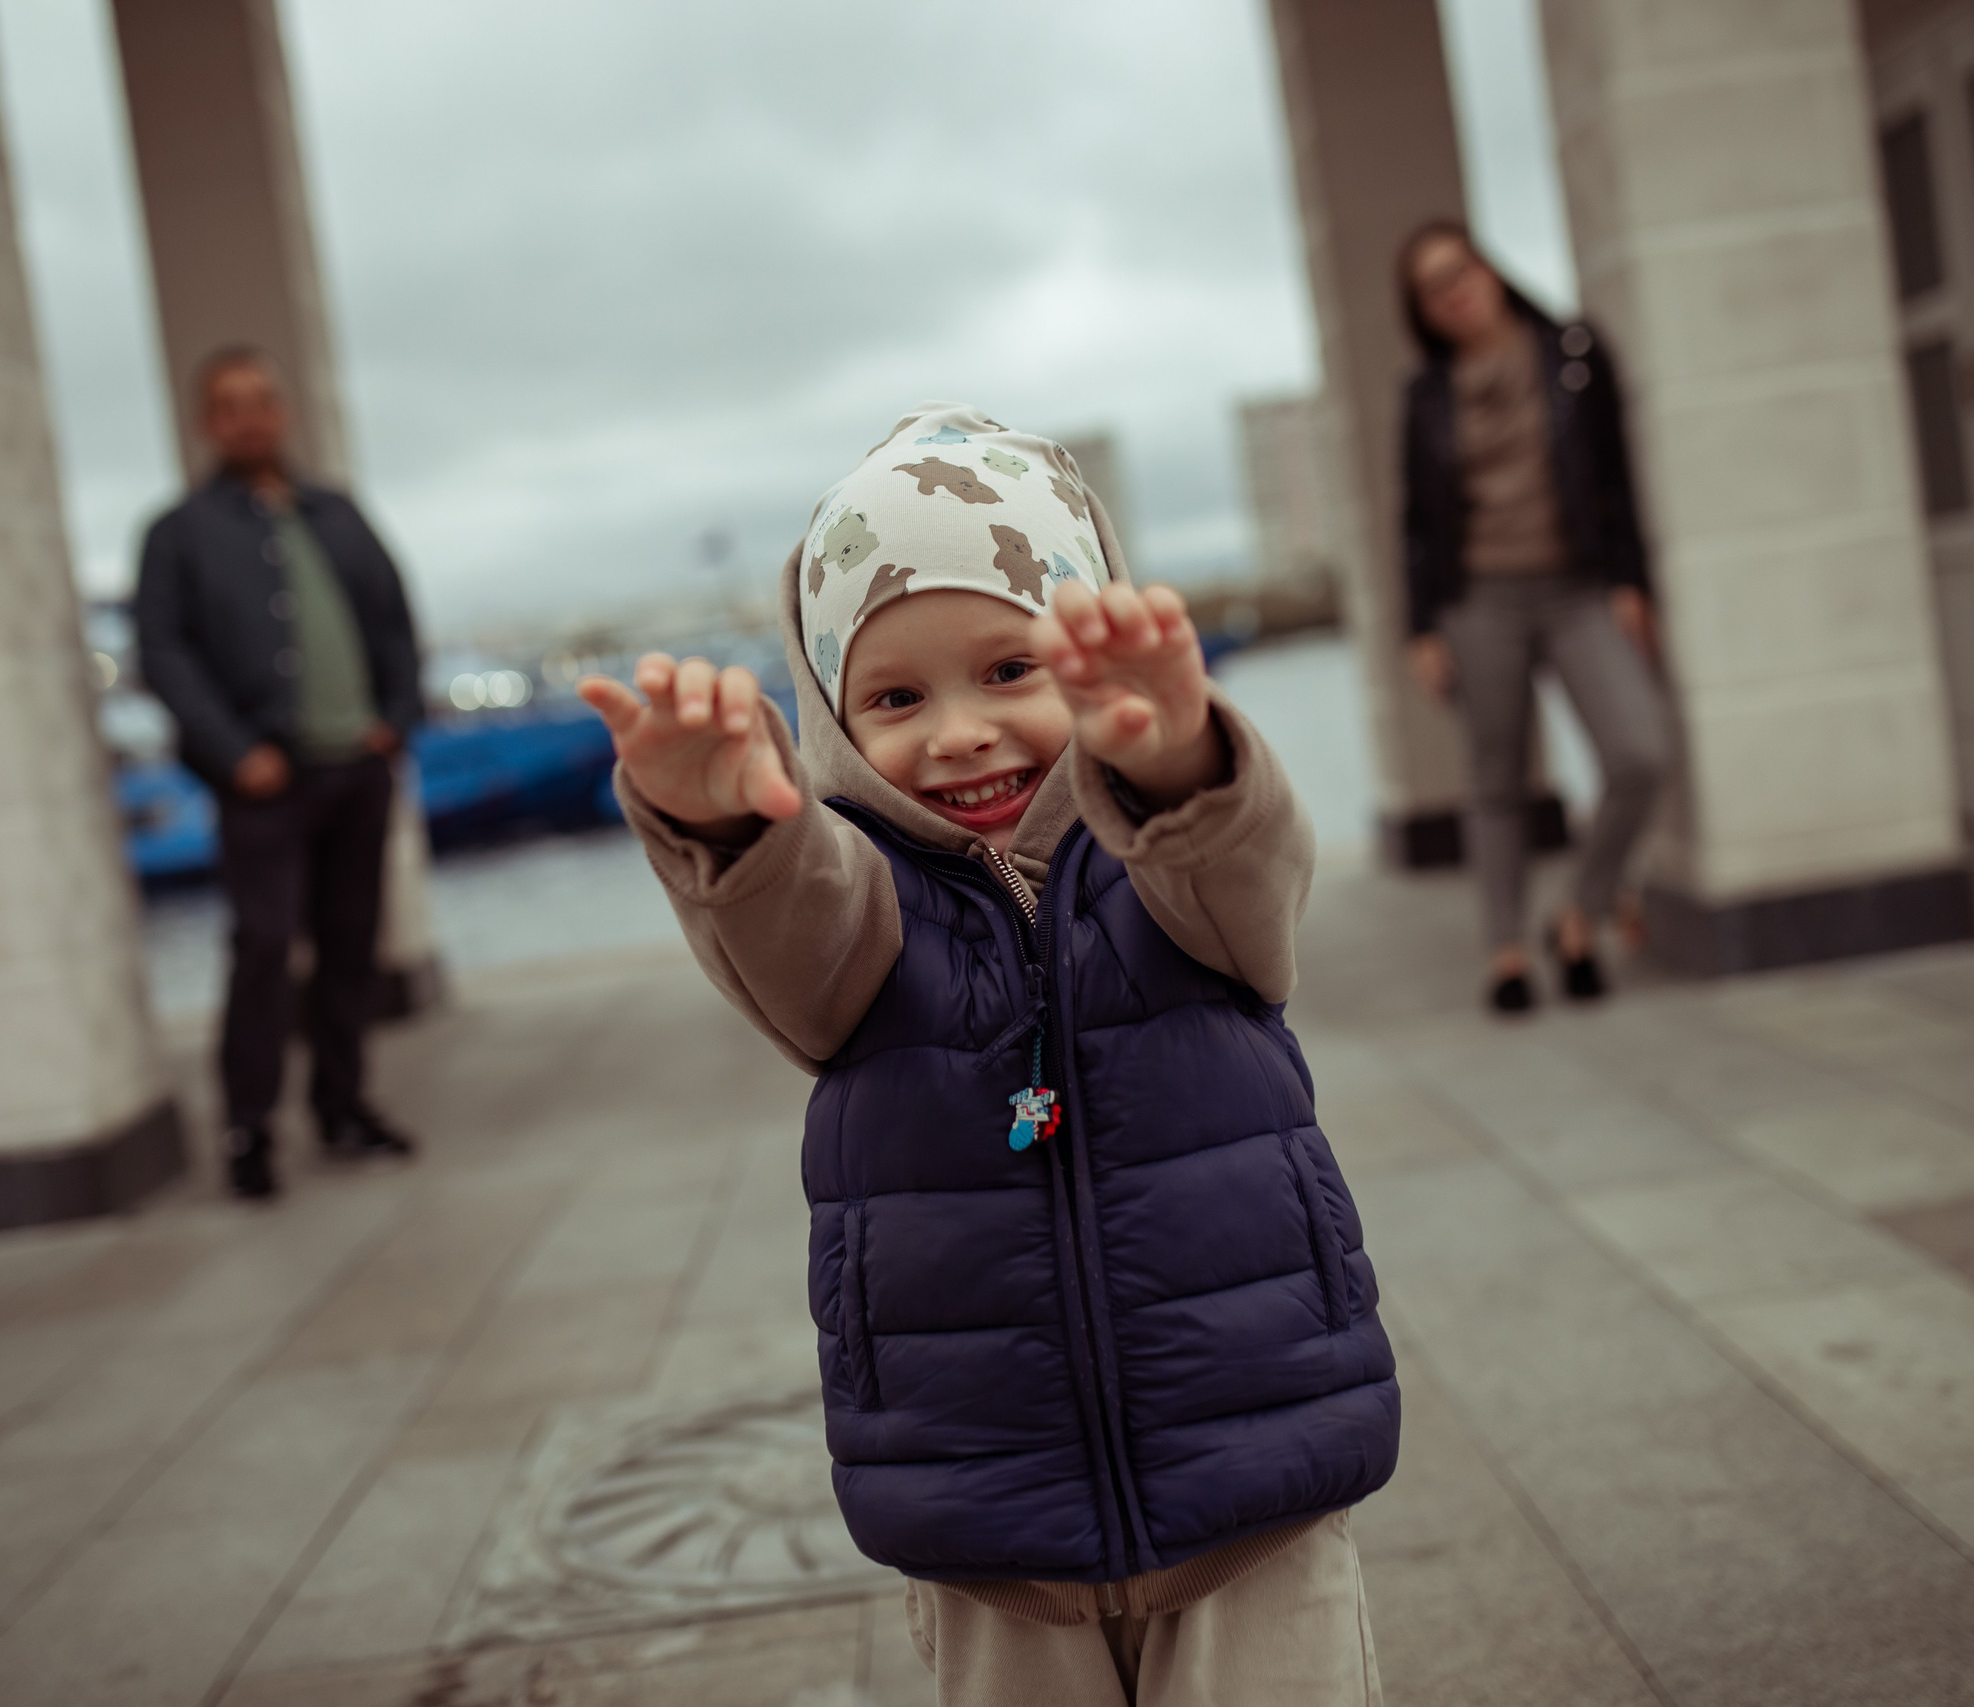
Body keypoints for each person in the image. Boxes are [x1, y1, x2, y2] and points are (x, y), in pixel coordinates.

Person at [580, 405, 1395, 1706]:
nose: (957, 732)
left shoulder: (1170, 863)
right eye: (896, 696)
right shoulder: (862, 905)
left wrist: (1181, 752)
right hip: (985, 1504)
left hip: (1255, 1473)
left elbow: (1245, 861)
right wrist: (727, 824)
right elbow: (796, 923)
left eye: (1009, 670)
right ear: (836, 722)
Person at [134, 347, 423, 1199]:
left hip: (356, 769)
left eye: (261, 400)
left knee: (349, 945)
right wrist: (233, 751)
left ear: (282, 411)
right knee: (262, 949)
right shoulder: (178, 533)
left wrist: (393, 724)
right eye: (229, 405)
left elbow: (396, 624)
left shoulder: (338, 514)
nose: (249, 417)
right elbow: (164, 653)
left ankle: (342, 1106)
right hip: (263, 781)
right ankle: (248, 1128)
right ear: (206, 423)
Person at [1398, 220, 1673, 1014]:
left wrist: (1631, 583)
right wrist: (1422, 627)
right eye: (1431, 286)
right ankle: (1507, 950)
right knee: (1497, 778)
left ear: (1489, 270)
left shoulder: (1573, 353)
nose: (1454, 290)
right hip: (1479, 599)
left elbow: (1618, 477)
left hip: (1580, 588)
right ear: (1420, 309)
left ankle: (1579, 912)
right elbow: (1416, 520)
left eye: (1461, 270)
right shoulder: (1425, 397)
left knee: (1640, 752)